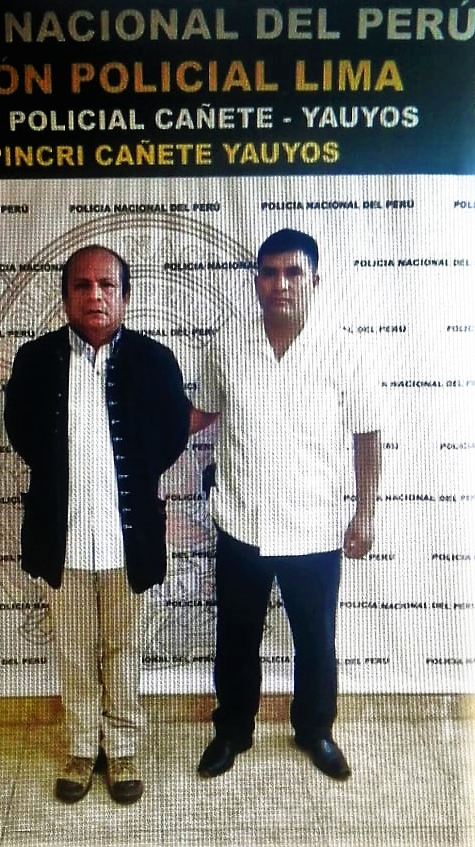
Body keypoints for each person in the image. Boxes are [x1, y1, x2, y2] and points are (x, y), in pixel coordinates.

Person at [190, 228, 381, 781]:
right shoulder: (228, 344)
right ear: (256, 282)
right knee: (236, 639)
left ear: (314, 280)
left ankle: (315, 730)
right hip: (241, 523)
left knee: (316, 642)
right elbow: (202, 414)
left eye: (293, 272)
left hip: (314, 527)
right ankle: (232, 730)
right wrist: (142, 424)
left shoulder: (345, 350)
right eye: (270, 273)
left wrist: (366, 512)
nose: (281, 284)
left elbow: (367, 435)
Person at [4, 245, 189, 805]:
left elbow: (171, 435)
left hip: (127, 539)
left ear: (125, 297)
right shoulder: (35, 361)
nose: (95, 296)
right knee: (74, 651)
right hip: (62, 540)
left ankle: (124, 748)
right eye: (81, 286)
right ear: (65, 298)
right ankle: (83, 749)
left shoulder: (155, 361)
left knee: (124, 649)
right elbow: (20, 432)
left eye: (107, 285)